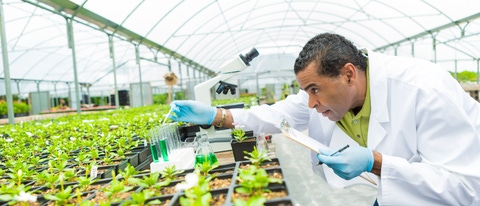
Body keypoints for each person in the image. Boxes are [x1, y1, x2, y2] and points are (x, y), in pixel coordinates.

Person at [169, 33, 480, 205]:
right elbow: (276, 115)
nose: (311, 103)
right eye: (306, 91)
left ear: (348, 74)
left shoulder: (424, 90)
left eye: (315, 89)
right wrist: (217, 116)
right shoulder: (326, 98)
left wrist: (375, 161)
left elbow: (465, 187)